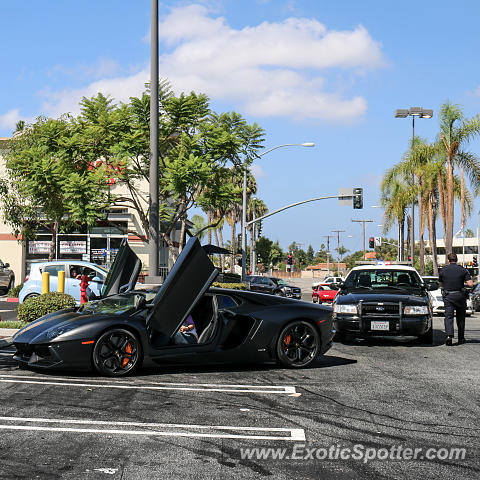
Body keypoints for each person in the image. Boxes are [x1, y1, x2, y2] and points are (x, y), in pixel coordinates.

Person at [439, 253, 473, 346]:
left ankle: (449, 336)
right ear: (456, 260)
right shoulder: (463, 270)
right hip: (460, 296)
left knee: (448, 316)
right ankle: (461, 338)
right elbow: (470, 284)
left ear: (448, 260)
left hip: (448, 296)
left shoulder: (443, 270)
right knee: (460, 318)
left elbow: (440, 284)